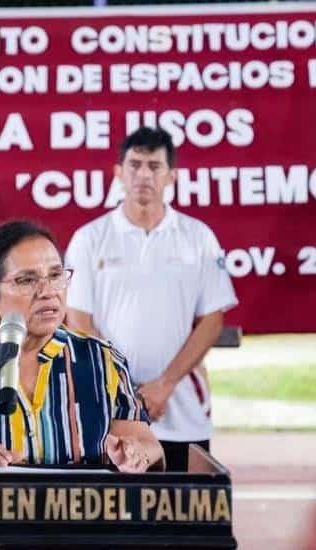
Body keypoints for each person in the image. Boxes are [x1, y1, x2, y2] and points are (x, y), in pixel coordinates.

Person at [0, 220, 163, 473]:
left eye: (56, 275)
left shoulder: (103, 360)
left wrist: (135, 453)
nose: (48, 291)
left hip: (82, 516)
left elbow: (149, 446)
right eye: (26, 280)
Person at [65, 127, 238, 472]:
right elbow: (79, 321)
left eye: (155, 166)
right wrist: (125, 388)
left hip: (181, 407)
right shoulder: (89, 239)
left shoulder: (198, 237)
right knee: (114, 517)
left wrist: (165, 384)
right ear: (119, 173)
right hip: (110, 405)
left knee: (185, 515)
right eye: (135, 164)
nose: (144, 175)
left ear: (171, 176)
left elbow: (212, 319)